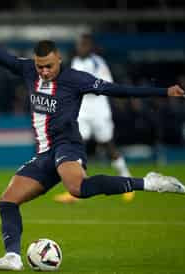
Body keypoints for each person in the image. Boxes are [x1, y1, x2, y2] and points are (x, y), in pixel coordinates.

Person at [0, 4, 185, 271]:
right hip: (44, 154)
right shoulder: (27, 70)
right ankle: (12, 257)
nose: (44, 72)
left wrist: (163, 91)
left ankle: (147, 182)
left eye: (48, 66)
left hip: (67, 145)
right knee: (7, 201)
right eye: (40, 67)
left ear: (59, 59)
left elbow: (117, 89)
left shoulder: (76, 79)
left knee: (76, 188)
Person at [54, 33, 133, 204]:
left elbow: (107, 85)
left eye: (83, 45)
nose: (80, 48)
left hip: (98, 109)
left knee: (108, 144)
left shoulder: (98, 63)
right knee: (76, 144)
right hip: (82, 109)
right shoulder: (75, 62)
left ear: (90, 46)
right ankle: (75, 187)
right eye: (79, 45)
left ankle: (126, 178)